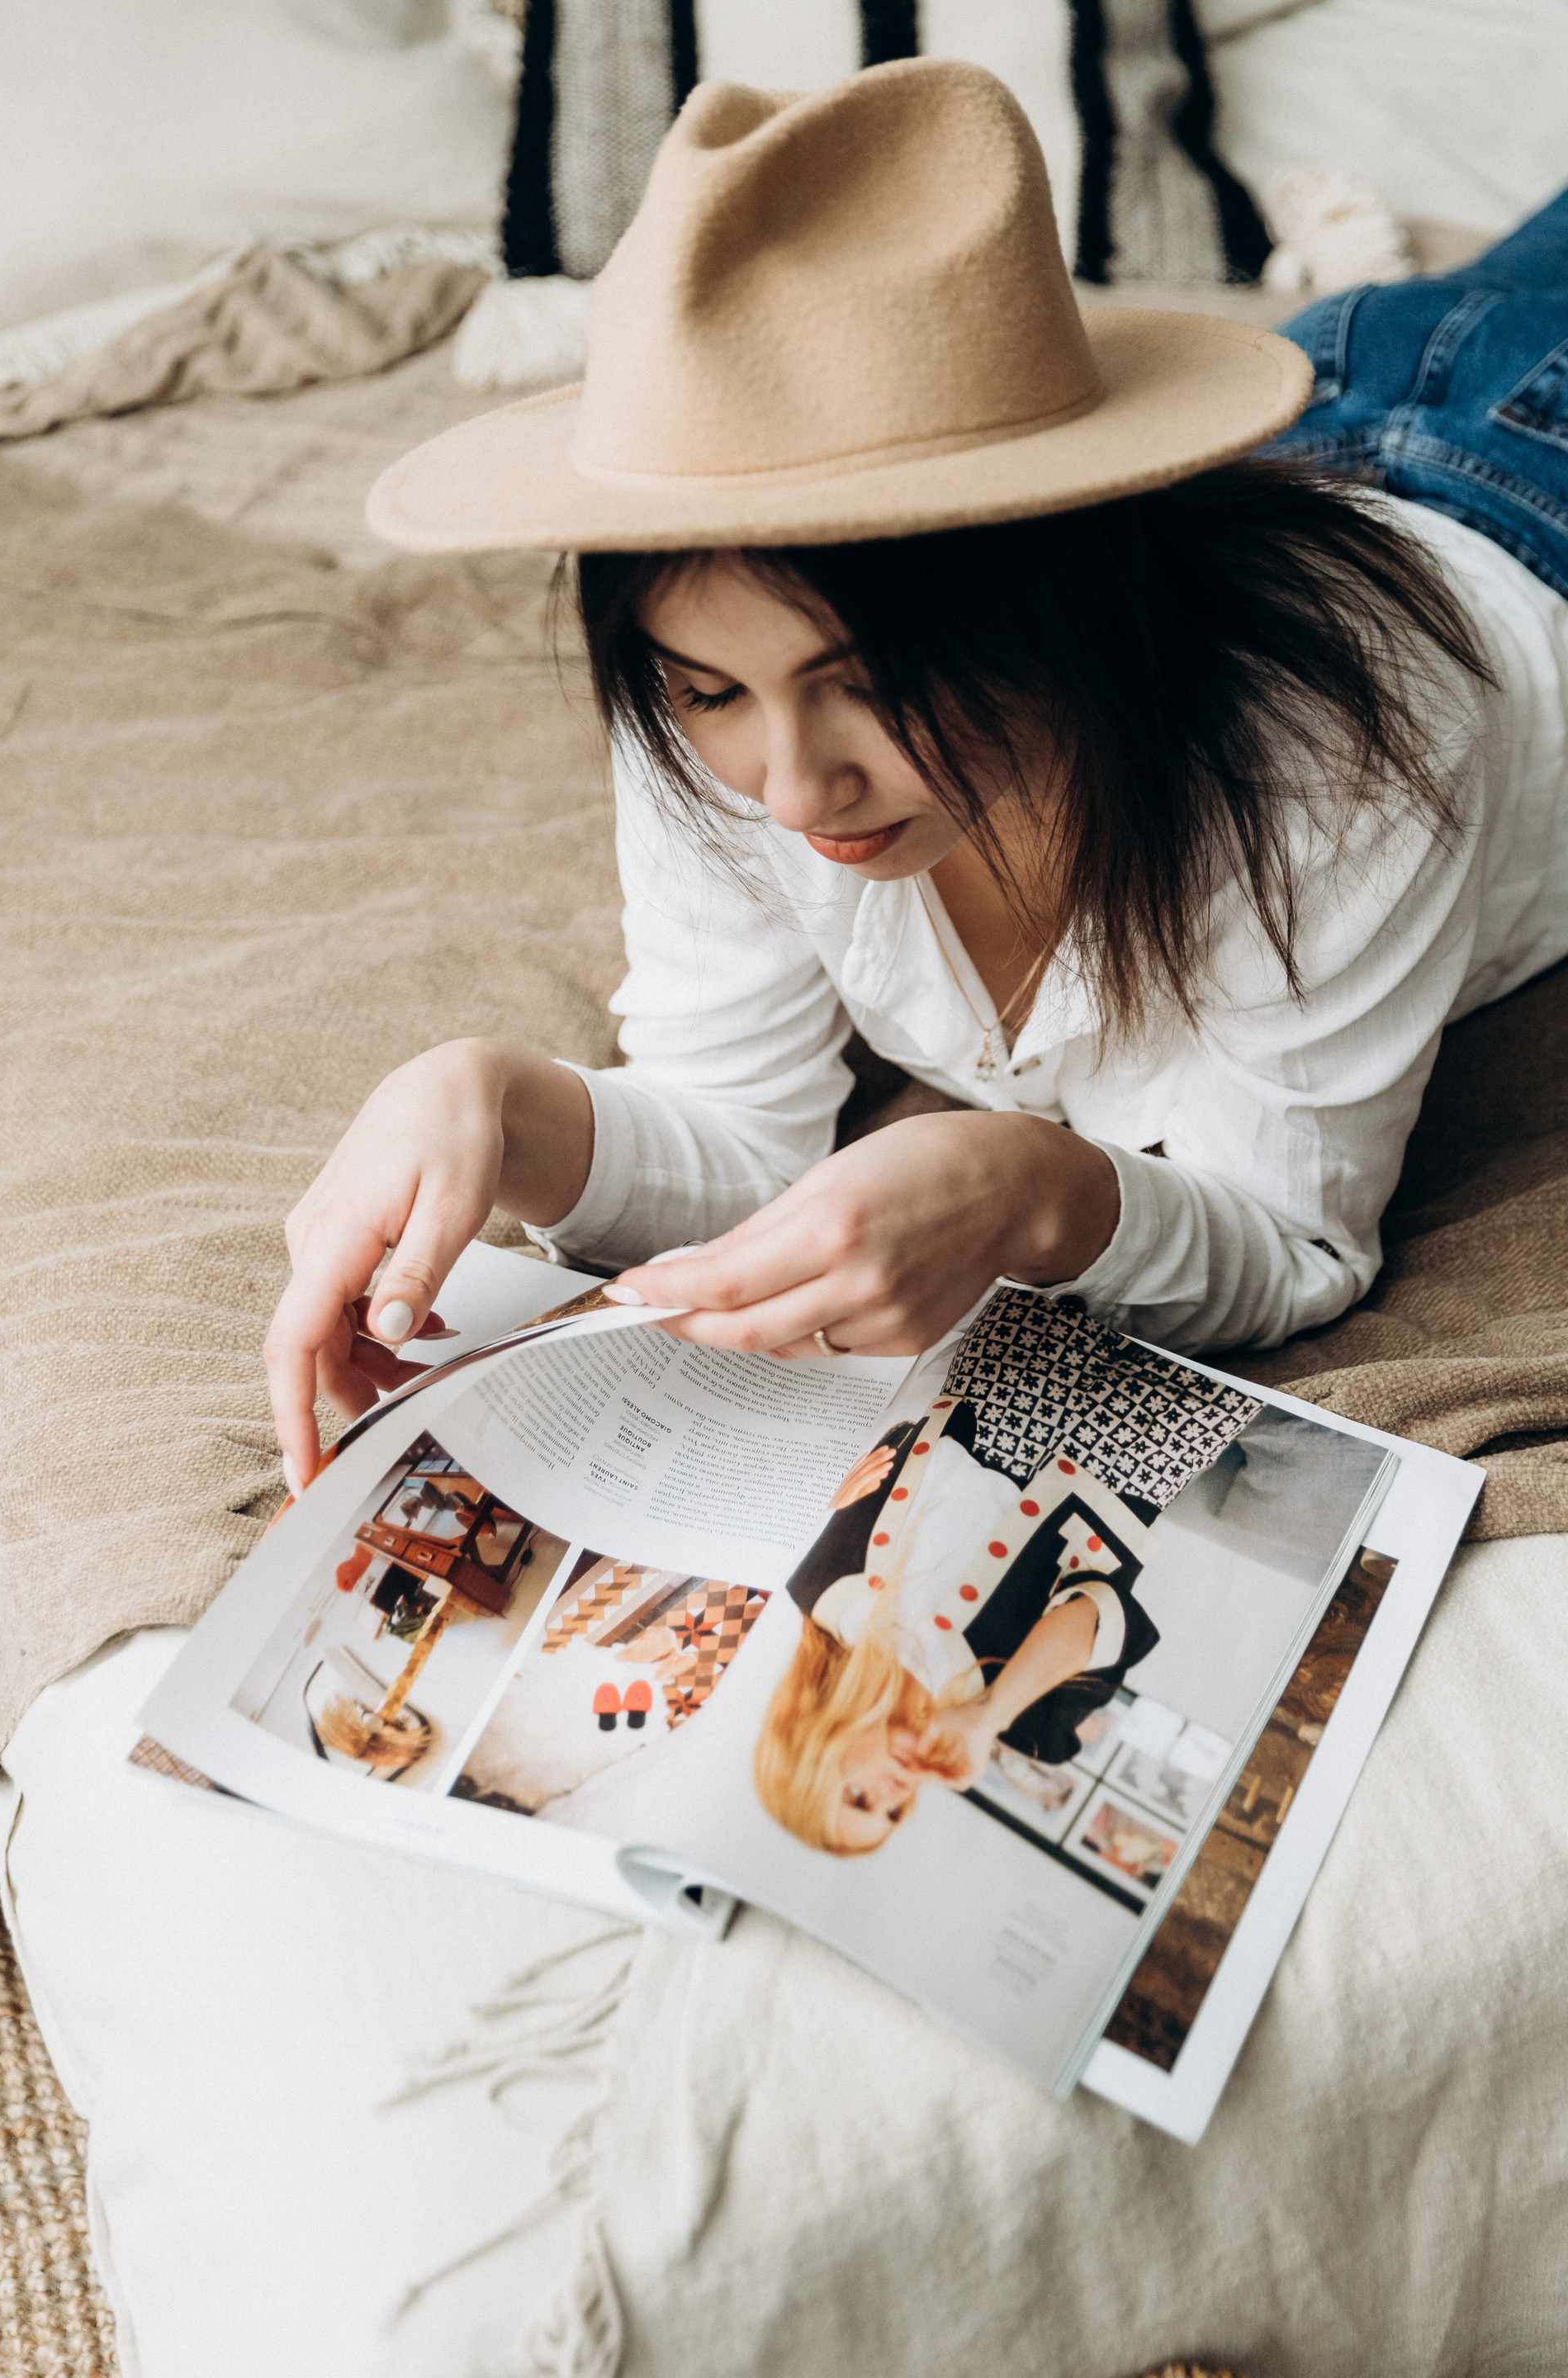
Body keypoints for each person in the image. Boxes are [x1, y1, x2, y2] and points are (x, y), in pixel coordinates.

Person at [262, 59, 1568, 1499]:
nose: (791, 793)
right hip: (1309, 416)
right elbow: (735, 1129)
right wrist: (502, 1109)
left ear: (1059, 616)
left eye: (873, 686)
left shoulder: (1344, 753)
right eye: (711, 693)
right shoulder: (709, 695)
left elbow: (1296, 1237)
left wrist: (1034, 1191)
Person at [752, 1402, 1161, 1855]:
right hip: (1140, 1451)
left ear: (807, 1753)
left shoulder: (818, 1587)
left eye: (859, 1797)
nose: (893, 1794)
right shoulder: (1033, 1728)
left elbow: (896, 1435)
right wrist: (987, 1716)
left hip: (1003, 1390)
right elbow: (1100, 1608)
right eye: (893, 1813)